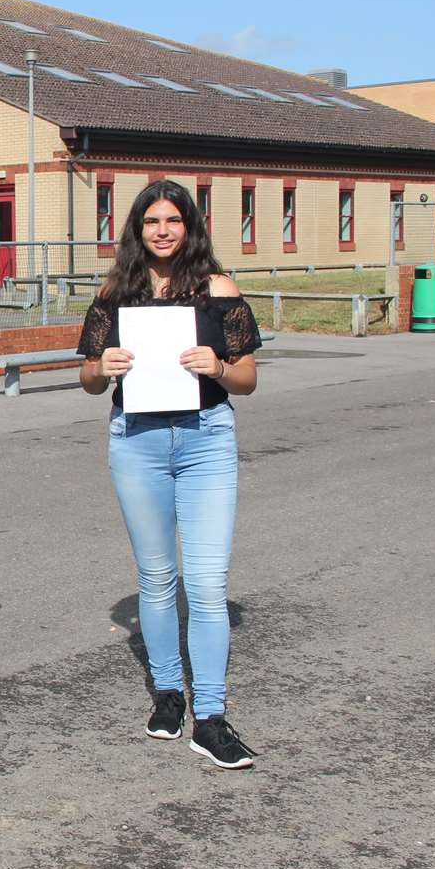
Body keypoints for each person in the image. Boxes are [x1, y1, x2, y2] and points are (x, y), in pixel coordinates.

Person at [77, 179, 263, 769]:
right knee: (157, 579)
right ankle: (167, 694)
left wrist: (219, 367)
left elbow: (248, 379)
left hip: (207, 439)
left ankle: (210, 716)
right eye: (151, 220)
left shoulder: (218, 289)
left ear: (190, 227)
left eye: (173, 220)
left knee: (206, 586)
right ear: (137, 228)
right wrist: (101, 367)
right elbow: (86, 377)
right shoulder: (116, 292)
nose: (162, 230)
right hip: (138, 442)